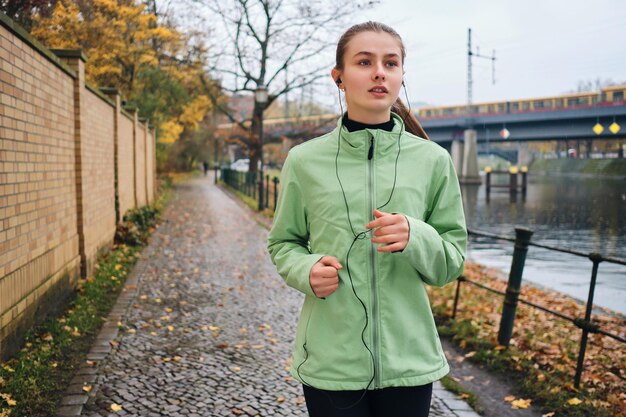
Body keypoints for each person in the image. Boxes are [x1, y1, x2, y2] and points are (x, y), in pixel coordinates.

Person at [267, 21, 467, 417]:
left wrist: (416, 235)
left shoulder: (433, 160)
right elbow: (283, 243)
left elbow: (452, 260)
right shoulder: (304, 161)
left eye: (390, 63)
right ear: (339, 77)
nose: (379, 72)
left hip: (409, 361)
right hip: (330, 360)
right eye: (364, 62)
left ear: (400, 76)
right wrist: (305, 269)